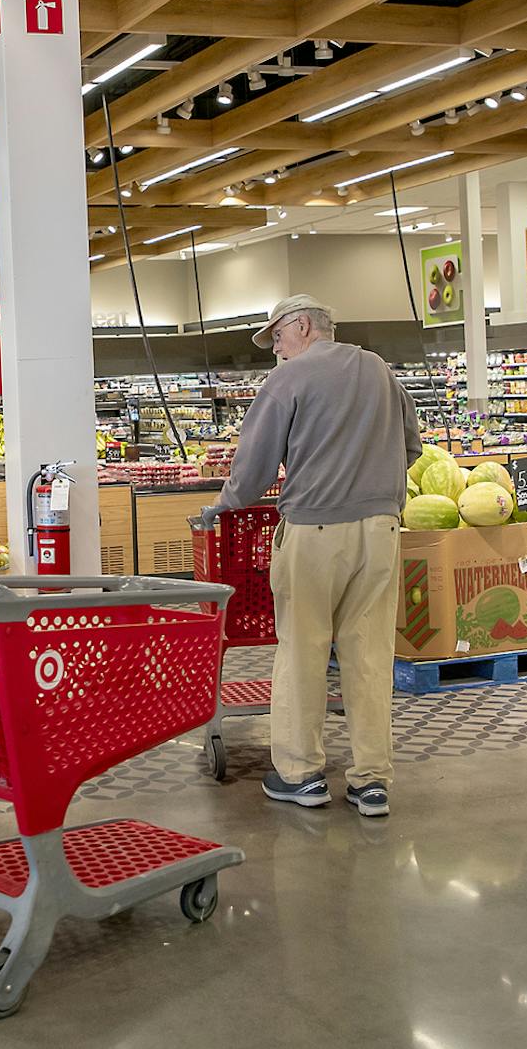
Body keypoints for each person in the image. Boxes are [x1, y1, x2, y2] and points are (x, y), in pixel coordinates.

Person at [212, 295, 420, 819]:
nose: (275, 349)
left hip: (314, 532)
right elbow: (412, 448)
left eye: (277, 336)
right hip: (381, 531)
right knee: (370, 655)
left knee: (304, 650)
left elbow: (254, 467)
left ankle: (302, 774)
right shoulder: (379, 370)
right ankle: (372, 781)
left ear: (302, 327)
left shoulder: (289, 378)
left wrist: (224, 505)